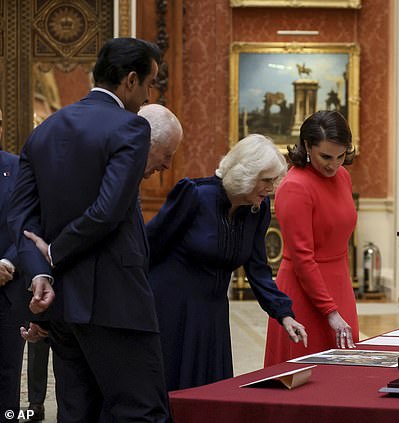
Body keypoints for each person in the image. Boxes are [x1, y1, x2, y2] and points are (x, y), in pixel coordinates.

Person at [8, 38, 171, 422]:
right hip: (118, 302)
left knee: (76, 412)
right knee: (141, 411)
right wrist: (55, 252)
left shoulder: (44, 131)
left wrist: (42, 271)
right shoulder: (131, 128)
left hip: (63, 305)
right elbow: (108, 212)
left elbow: (21, 219)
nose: (148, 95)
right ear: (131, 80)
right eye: (150, 84)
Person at [146, 133, 308, 391]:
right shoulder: (195, 195)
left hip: (213, 313)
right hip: (172, 307)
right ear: (245, 174)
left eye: (275, 181)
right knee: (171, 387)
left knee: (210, 391)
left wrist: (284, 314)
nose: (271, 188)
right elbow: (150, 245)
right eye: (266, 180)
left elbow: (258, 268)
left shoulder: (258, 209)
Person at [264, 110, 358, 366]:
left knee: (345, 372)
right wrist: (330, 311)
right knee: (307, 374)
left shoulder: (343, 177)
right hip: (303, 293)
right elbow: (303, 258)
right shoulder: (295, 186)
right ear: (307, 145)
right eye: (325, 156)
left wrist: (340, 303)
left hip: (339, 284)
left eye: (340, 156)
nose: (334, 164)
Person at [0, 108, 29, 423]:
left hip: (7, 290)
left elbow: (27, 223)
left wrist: (7, 261)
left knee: (8, 374)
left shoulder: (17, 168)